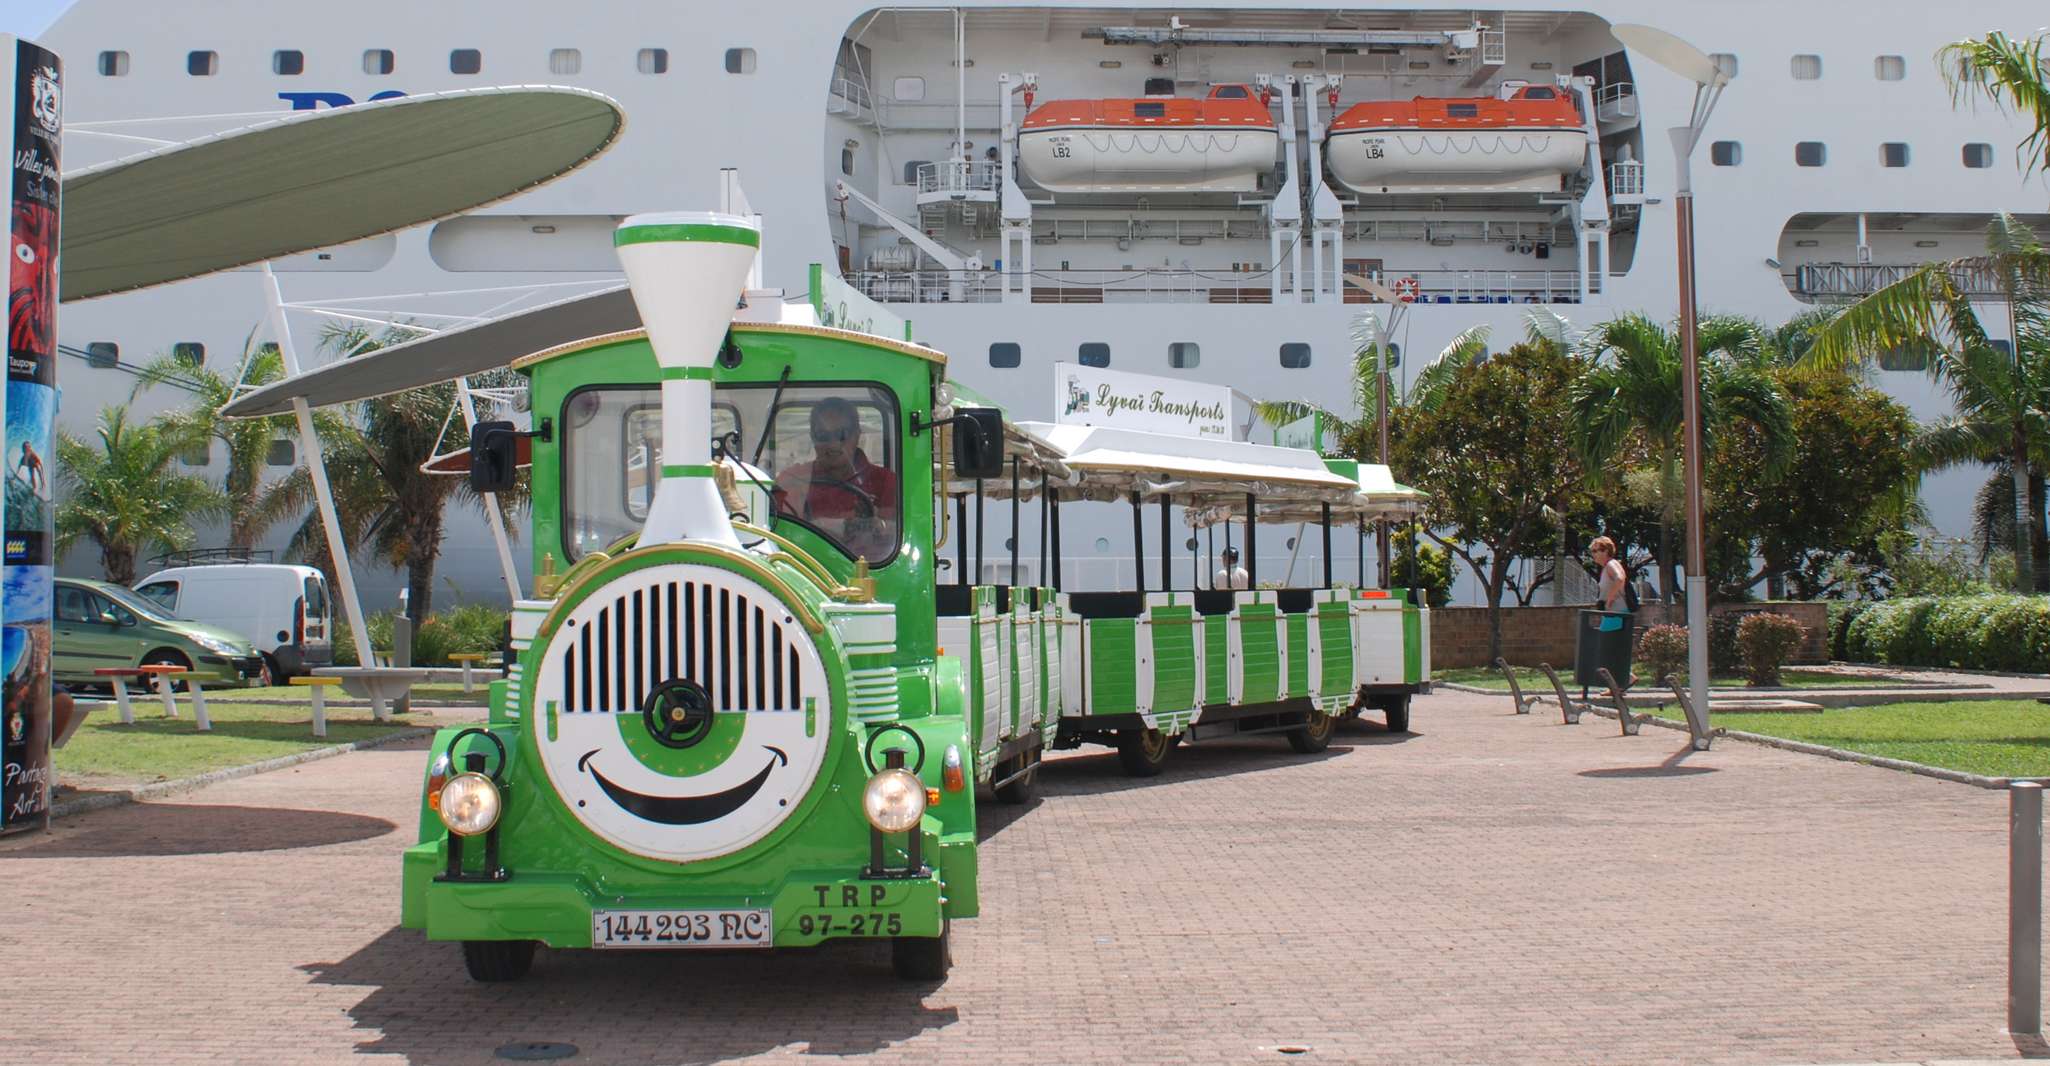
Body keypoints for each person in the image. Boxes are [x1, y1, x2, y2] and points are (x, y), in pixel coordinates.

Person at [772, 397, 900, 561]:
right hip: (805, 573)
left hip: (871, 574)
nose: (833, 444)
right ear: (813, 437)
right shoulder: (792, 481)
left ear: (857, 435)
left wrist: (876, 524)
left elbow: (903, 534)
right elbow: (779, 532)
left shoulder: (887, 483)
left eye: (842, 434)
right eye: (823, 435)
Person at [1591, 536, 1629, 612]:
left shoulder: (1610, 564)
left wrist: (1609, 600)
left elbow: (1620, 578)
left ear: (1606, 551)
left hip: (1616, 611)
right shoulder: (1607, 566)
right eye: (1592, 551)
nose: (1592, 554)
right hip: (1612, 612)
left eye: (1595, 551)